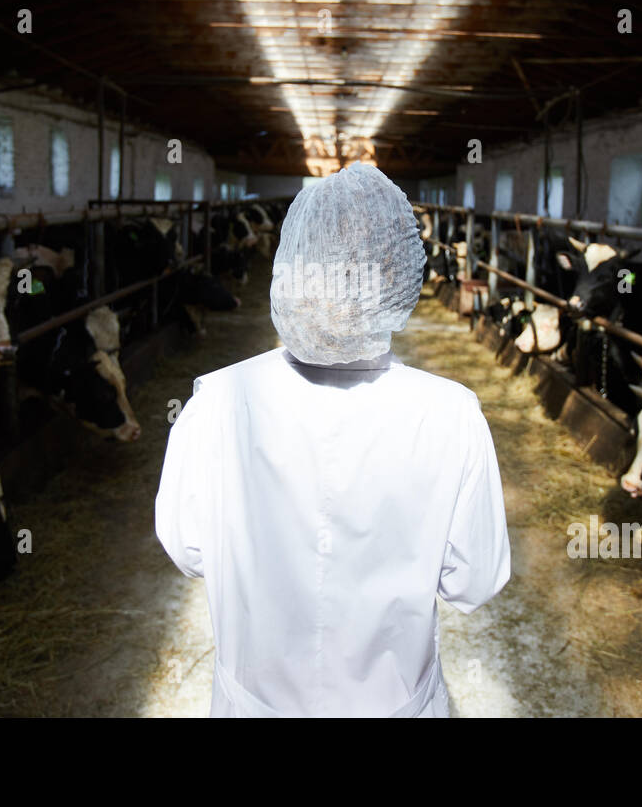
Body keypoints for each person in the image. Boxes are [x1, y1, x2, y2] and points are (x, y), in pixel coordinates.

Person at [155, 161, 510, 717]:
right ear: (397, 276)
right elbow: (473, 581)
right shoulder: (450, 414)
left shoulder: (215, 403)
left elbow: (188, 548)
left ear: (290, 271)